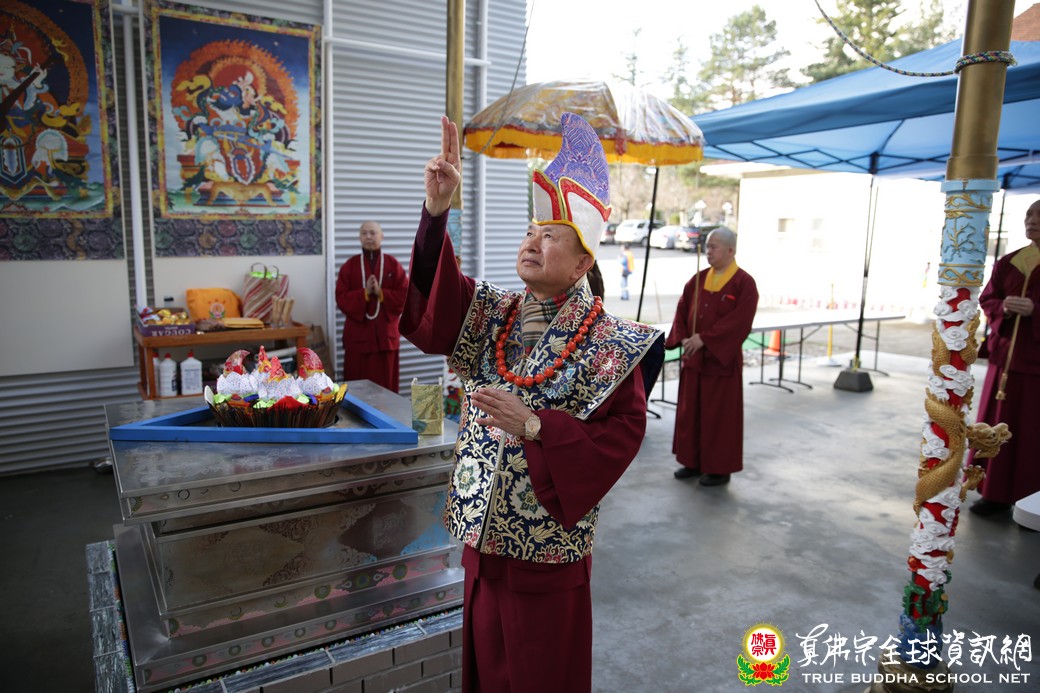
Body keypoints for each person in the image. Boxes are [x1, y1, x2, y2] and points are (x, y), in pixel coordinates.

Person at [401, 113, 661, 693]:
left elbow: (622, 437)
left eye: (550, 236)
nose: (531, 242)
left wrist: (540, 427)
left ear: (584, 262)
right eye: (528, 230)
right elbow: (430, 306)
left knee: (542, 676)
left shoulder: (612, 343)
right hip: (480, 542)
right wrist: (437, 211)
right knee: (484, 673)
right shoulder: (494, 313)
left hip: (545, 553)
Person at [666, 227, 758, 486]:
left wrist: (705, 338)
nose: (708, 251)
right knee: (690, 414)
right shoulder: (698, 279)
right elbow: (683, 309)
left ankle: (719, 468)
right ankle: (691, 461)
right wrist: (684, 337)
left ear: (731, 250)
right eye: (707, 246)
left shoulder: (744, 283)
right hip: (695, 360)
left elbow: (739, 322)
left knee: (719, 418)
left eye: (714, 247)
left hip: (720, 362)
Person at [970, 199, 1040, 516]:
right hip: (1005, 362)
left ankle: (1029, 498)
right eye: (1029, 214)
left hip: (1035, 365)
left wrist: (1037, 311)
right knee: (995, 425)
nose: (1033, 220)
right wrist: (1004, 308)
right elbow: (988, 298)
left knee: (1031, 432)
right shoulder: (1009, 262)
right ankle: (993, 492)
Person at [334, 220, 407, 392]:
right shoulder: (349, 266)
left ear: (382, 236)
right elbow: (341, 298)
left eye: (373, 233)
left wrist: (381, 292)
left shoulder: (392, 265)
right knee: (357, 386)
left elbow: (405, 296)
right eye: (364, 233)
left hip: (385, 338)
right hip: (358, 337)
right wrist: (365, 293)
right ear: (359, 237)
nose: (368, 237)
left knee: (386, 388)